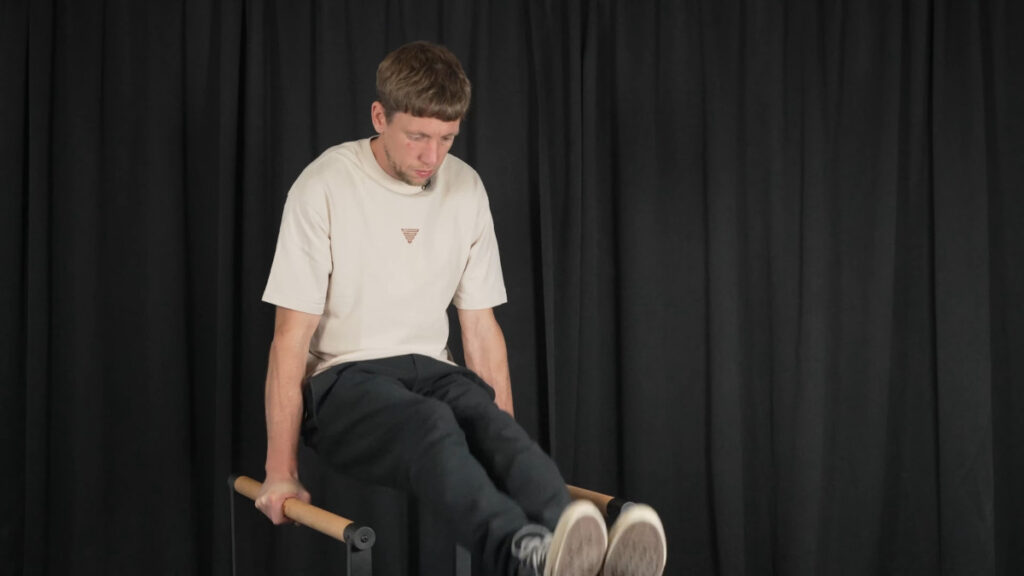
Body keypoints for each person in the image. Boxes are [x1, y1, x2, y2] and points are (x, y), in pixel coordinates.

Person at [254, 41, 666, 576]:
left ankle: (580, 551)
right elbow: (289, 339)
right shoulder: (324, 185)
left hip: (432, 370)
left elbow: (480, 327)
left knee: (487, 422)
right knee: (433, 423)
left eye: (446, 138)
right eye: (418, 137)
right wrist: (279, 469)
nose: (432, 158)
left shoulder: (466, 187)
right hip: (343, 383)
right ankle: (524, 557)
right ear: (380, 117)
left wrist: (507, 447)